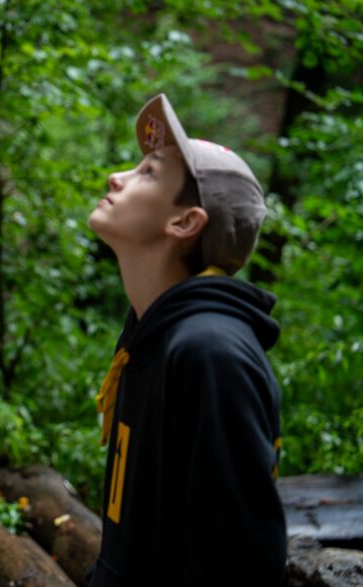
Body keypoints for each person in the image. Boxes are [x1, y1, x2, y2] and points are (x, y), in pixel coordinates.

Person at [86, 94, 287, 585]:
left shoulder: (210, 351)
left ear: (184, 223)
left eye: (148, 173)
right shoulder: (152, 333)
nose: (118, 177)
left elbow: (241, 565)